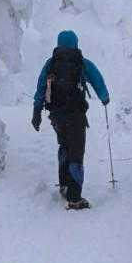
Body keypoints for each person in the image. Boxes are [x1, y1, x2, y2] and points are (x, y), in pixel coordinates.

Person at [32, 29, 110, 209]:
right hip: (76, 115)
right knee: (76, 152)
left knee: (64, 146)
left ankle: (64, 185)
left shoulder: (51, 64)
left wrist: (36, 111)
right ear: (75, 43)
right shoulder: (82, 63)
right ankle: (74, 199)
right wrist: (104, 97)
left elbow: (41, 86)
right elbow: (97, 79)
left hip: (56, 115)